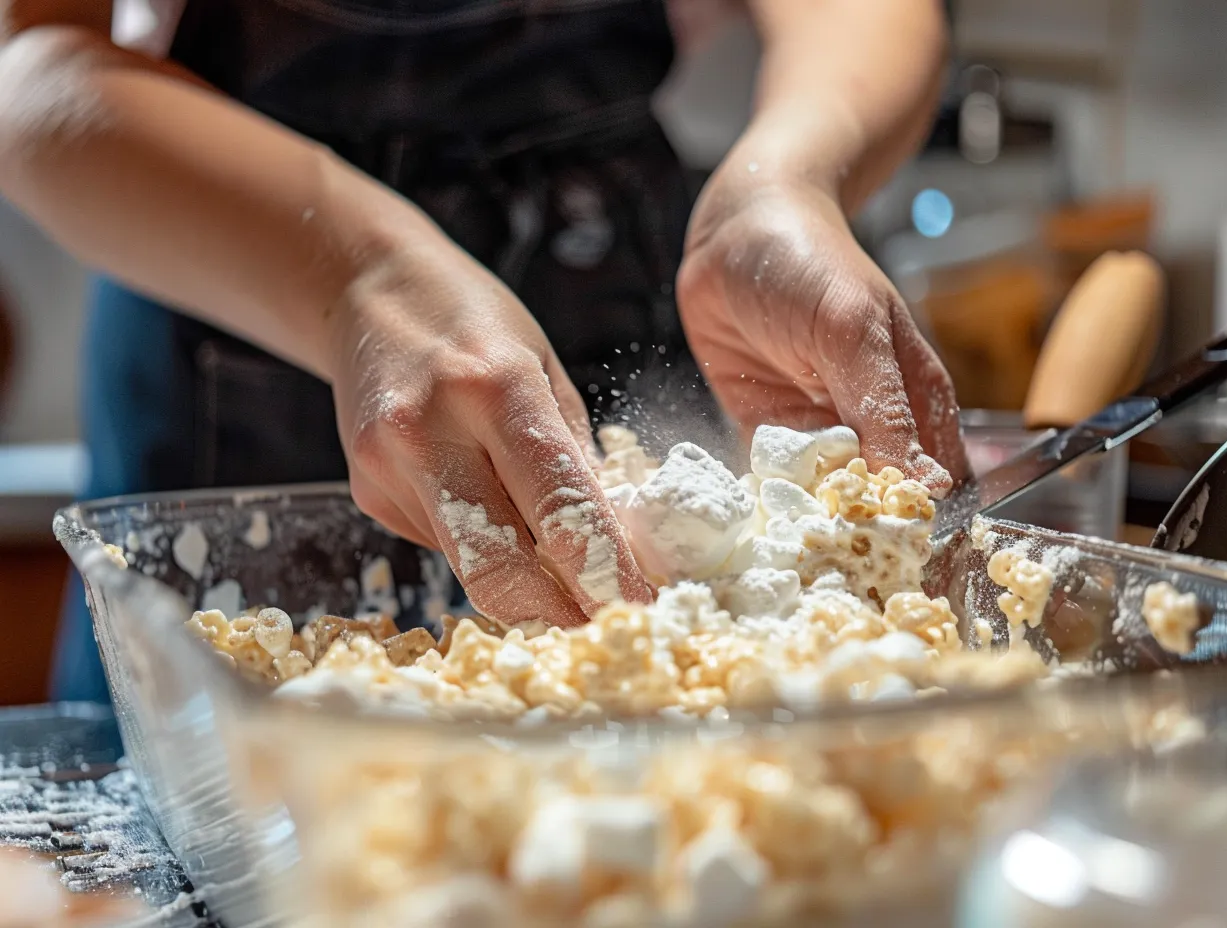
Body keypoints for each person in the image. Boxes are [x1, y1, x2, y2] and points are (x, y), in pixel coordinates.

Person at [0, 0, 968, 703]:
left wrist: (787, 178)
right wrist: (355, 276)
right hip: (230, 281)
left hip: (610, 268)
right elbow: (36, 60)